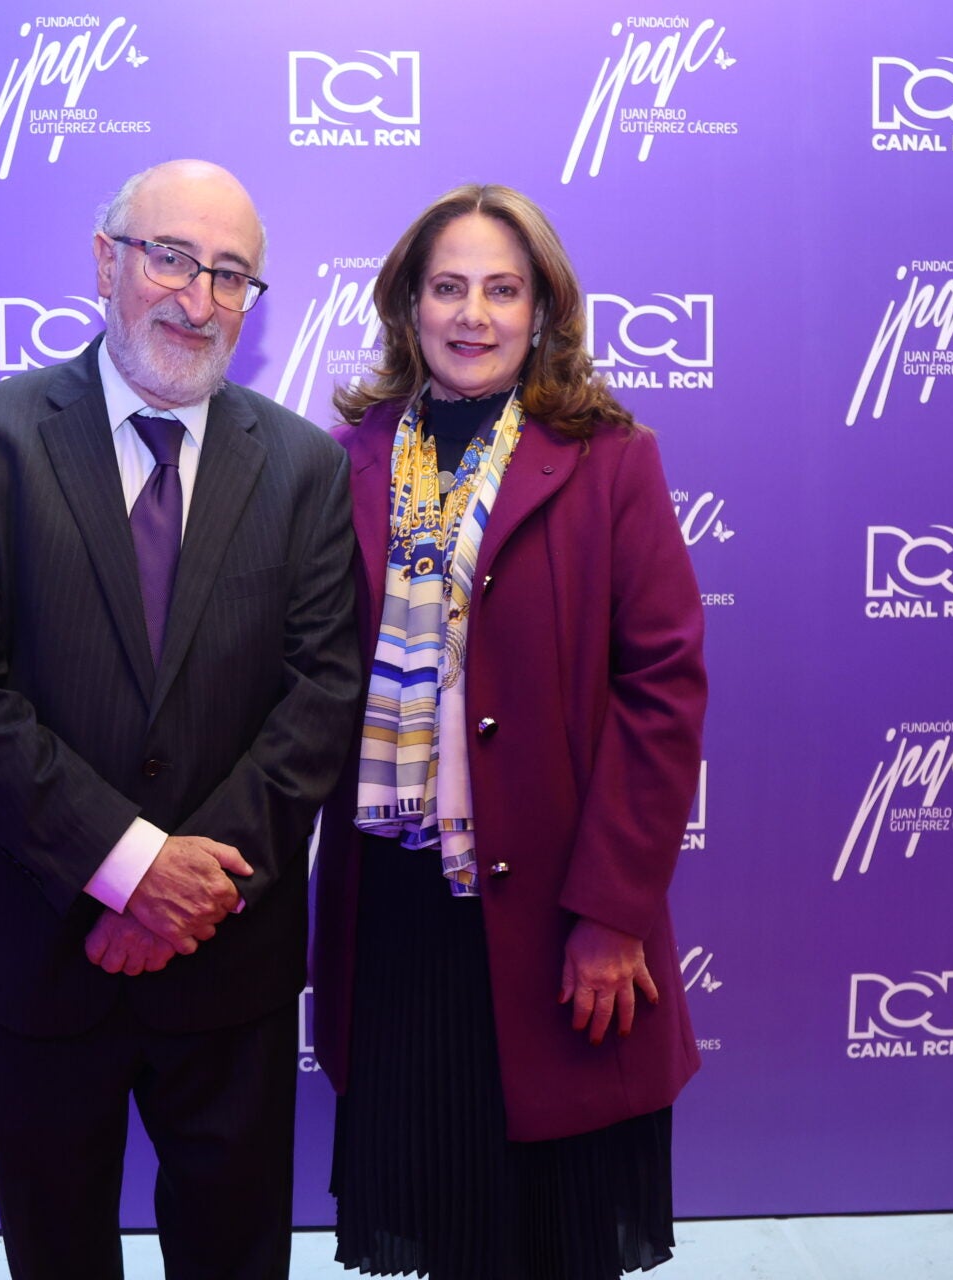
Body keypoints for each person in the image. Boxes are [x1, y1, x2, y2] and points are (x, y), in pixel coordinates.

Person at [0, 158, 363, 1280]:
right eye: (170, 257)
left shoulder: (303, 466)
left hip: (226, 942)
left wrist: (178, 896)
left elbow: (321, 694)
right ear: (106, 261)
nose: (196, 299)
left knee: (235, 1249)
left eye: (231, 275)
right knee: (57, 1250)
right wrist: (124, 865)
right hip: (38, 931)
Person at [312, 184, 708, 1278]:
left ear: (543, 311)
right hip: (395, 908)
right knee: (441, 1211)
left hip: (554, 913)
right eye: (448, 287)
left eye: (502, 288)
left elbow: (663, 690)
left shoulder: (610, 458)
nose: (472, 314)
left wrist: (613, 914)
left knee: (552, 1233)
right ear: (406, 306)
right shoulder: (340, 459)